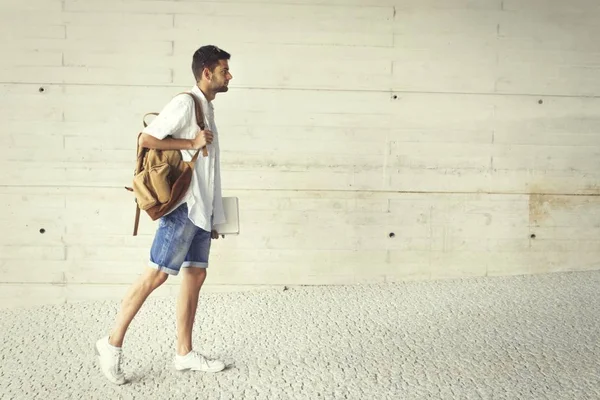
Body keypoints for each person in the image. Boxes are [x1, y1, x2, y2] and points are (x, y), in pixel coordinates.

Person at [95, 45, 233, 385]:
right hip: (184, 208)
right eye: (224, 70)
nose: (229, 75)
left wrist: (215, 215)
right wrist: (191, 142)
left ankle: (184, 353)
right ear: (206, 73)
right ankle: (110, 344)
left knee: (195, 275)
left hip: (202, 211)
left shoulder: (206, 107)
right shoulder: (185, 103)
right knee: (156, 275)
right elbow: (147, 138)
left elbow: (209, 167)